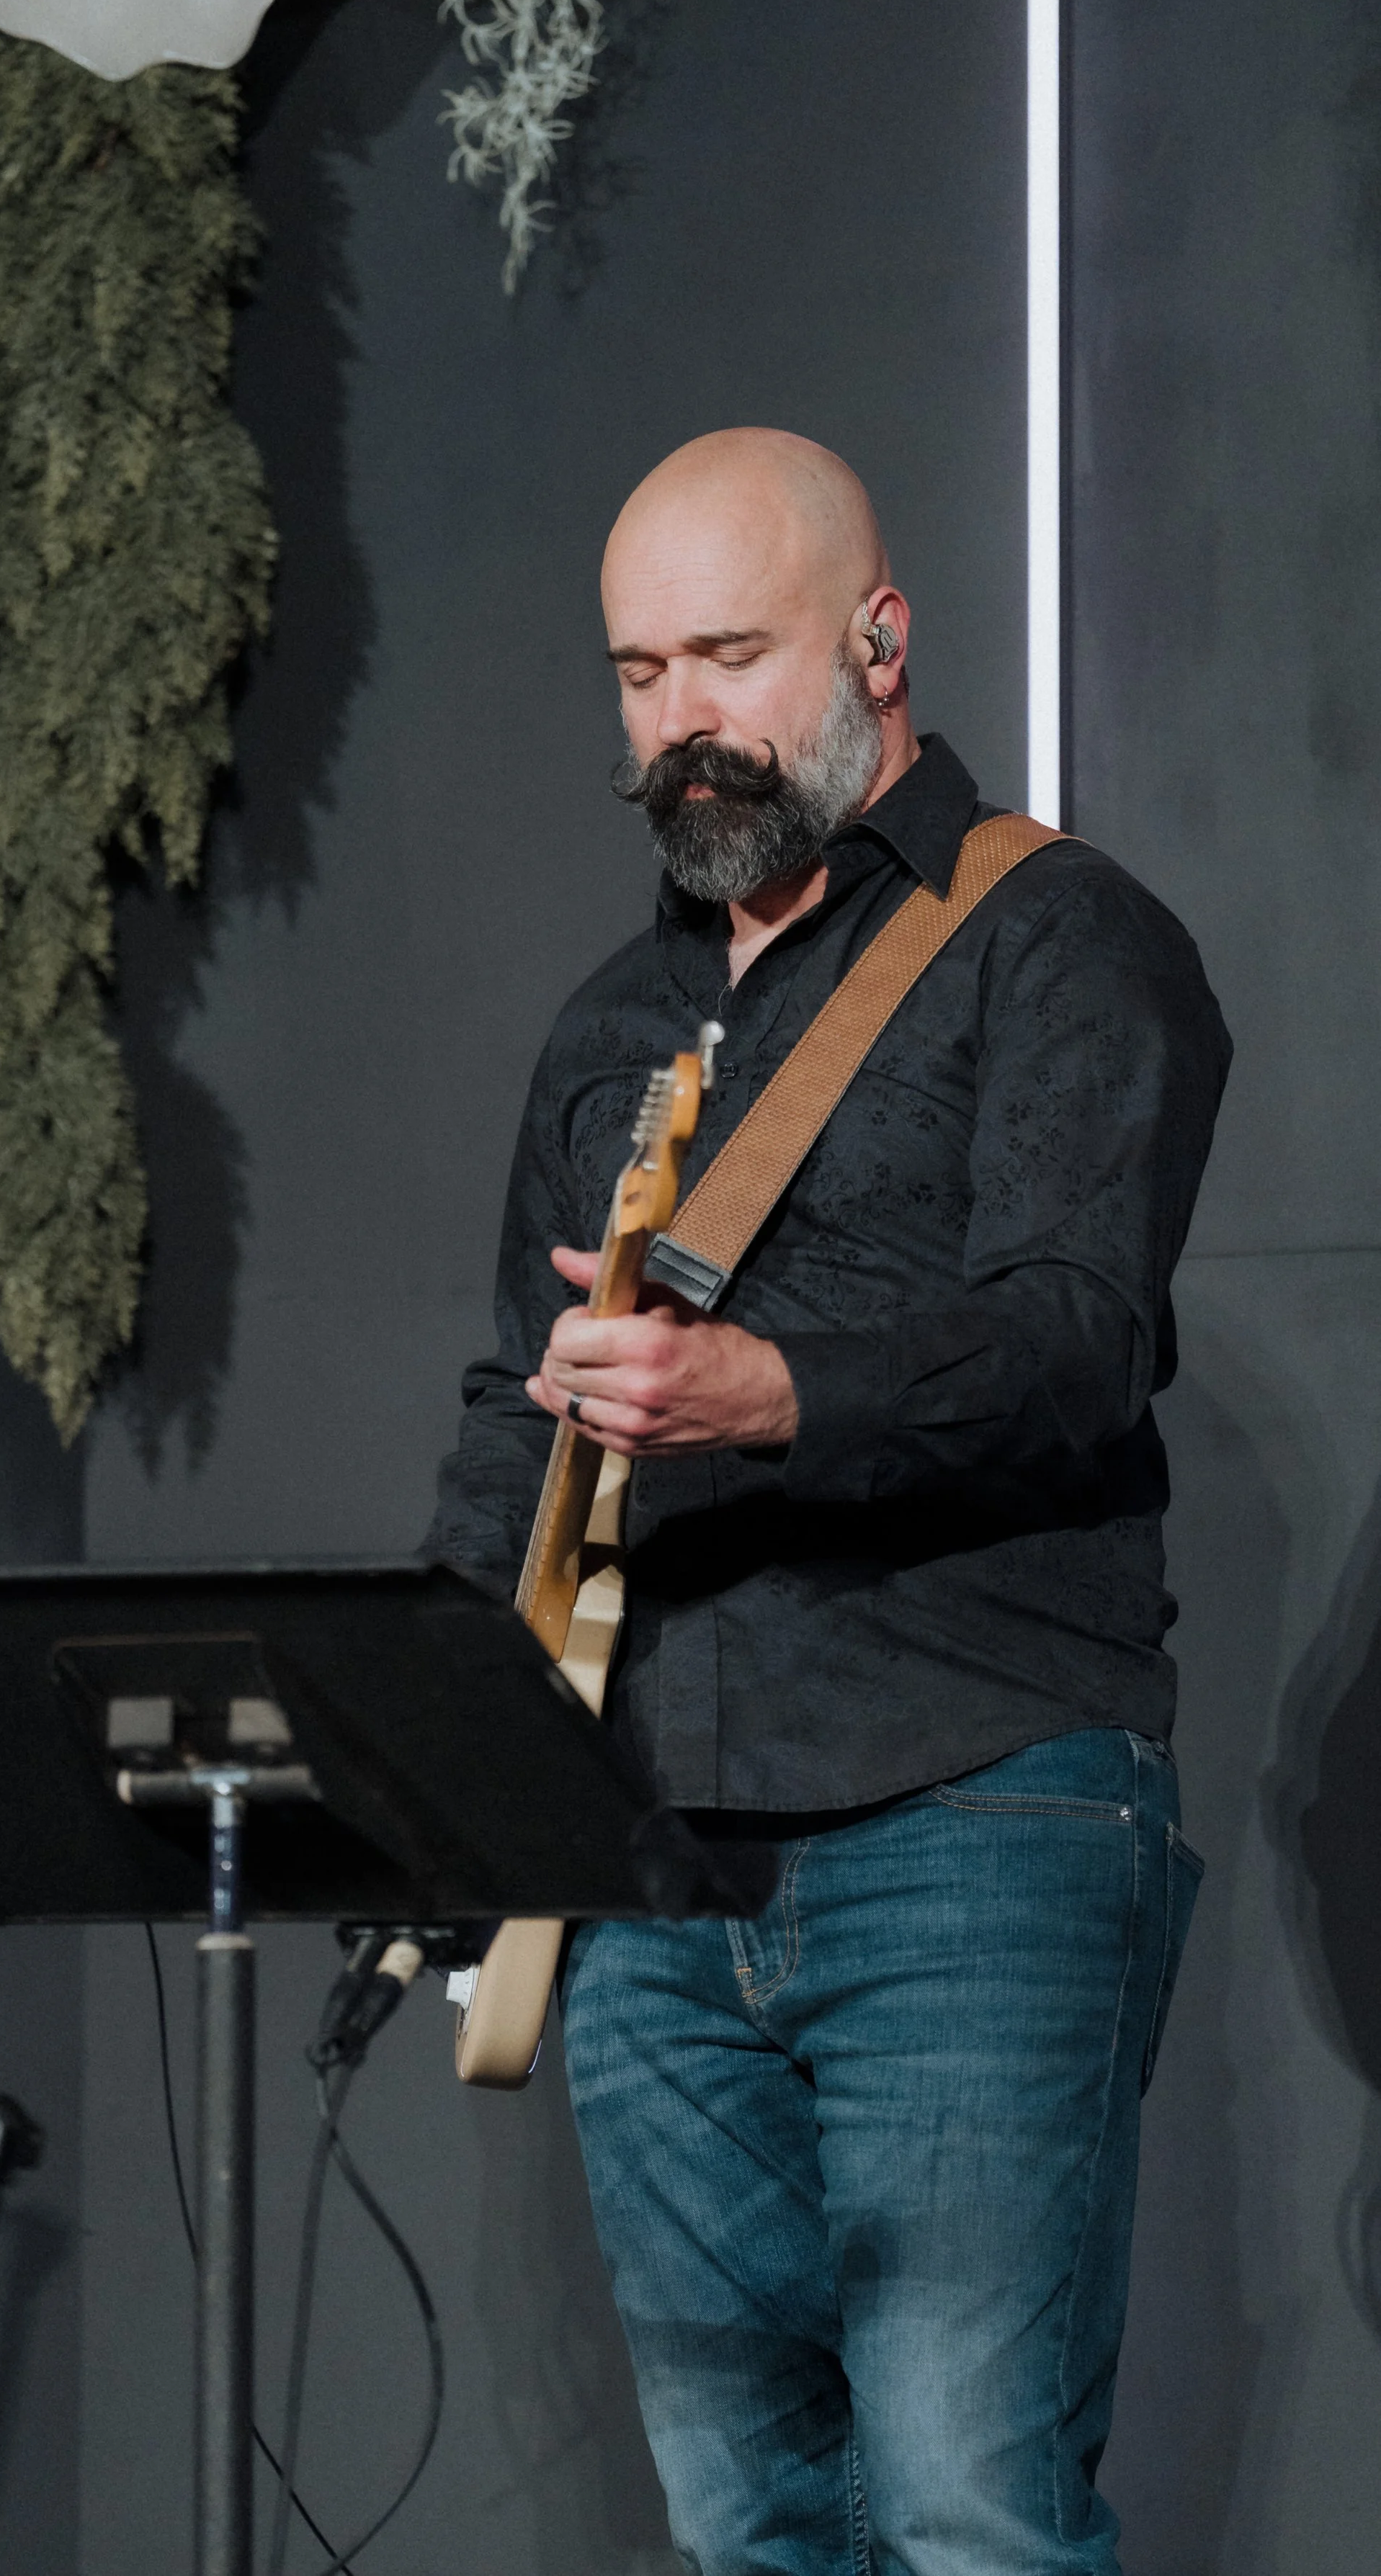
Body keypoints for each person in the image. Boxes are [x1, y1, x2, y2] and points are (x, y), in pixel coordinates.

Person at [426, 428, 1232, 2576]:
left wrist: (767, 1390)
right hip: (651, 1869)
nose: (676, 718)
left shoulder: (1056, 939)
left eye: (725, 653)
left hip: (969, 1810)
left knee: (968, 2510)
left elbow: (1074, 1339)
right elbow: (518, 1420)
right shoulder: (608, 1024)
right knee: (743, 2525)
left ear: (877, 638)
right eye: (633, 674)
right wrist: (421, 1745)